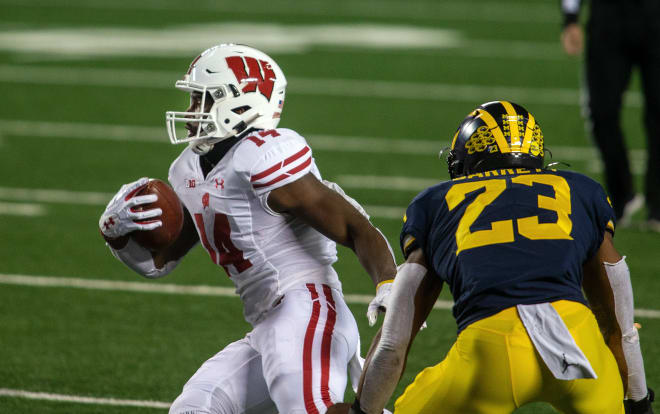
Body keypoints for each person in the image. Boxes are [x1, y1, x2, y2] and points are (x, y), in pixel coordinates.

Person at [98, 43, 398, 414]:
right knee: (194, 408)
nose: (191, 112)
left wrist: (388, 283)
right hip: (267, 322)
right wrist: (119, 235)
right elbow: (159, 263)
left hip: (307, 306)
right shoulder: (188, 169)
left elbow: (354, 226)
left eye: (202, 100)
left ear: (241, 104)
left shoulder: (262, 155)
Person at [340, 101, 655, 414]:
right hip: (579, 348)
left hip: (493, 351)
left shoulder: (437, 203)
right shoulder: (579, 191)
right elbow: (619, 316)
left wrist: (362, 411)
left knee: (410, 406)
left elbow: (395, 342)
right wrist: (638, 401)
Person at [560, 0, 660, 230]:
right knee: (601, 112)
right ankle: (621, 194)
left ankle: (657, 202)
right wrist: (570, 17)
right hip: (608, 20)